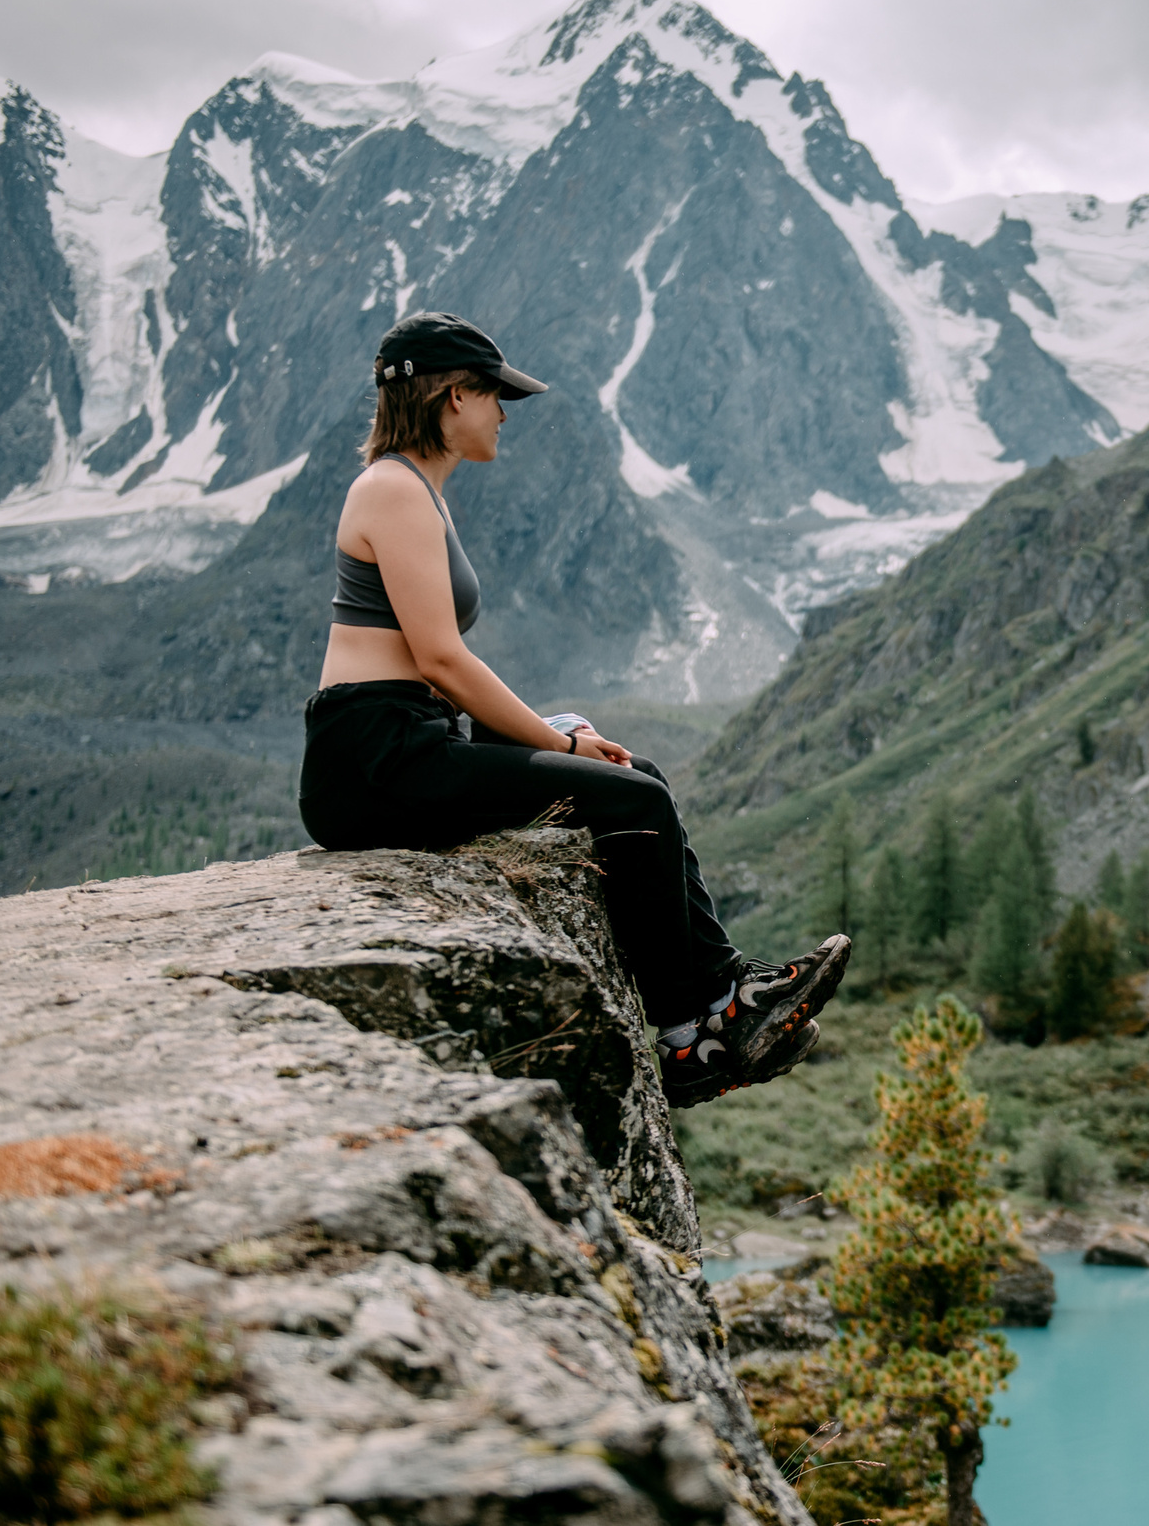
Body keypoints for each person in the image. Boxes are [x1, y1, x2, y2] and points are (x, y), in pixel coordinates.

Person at [296, 312, 846, 1104]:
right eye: (493, 395)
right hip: (374, 760)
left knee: (635, 777)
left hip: (400, 744)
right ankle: (711, 1013)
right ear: (453, 397)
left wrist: (558, 732)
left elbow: (430, 677)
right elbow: (440, 659)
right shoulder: (391, 489)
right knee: (634, 795)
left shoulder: (412, 489)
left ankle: (704, 1026)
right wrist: (557, 746)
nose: (503, 412)